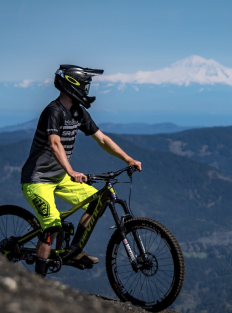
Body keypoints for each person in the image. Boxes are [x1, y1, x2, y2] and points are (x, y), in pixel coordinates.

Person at [21, 65, 142, 277]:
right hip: (37, 180)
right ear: (72, 85)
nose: (87, 89)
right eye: (85, 85)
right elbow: (54, 144)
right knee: (52, 226)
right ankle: (37, 283)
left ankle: (75, 250)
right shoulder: (53, 111)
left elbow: (102, 139)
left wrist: (128, 158)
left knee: (97, 200)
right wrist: (70, 171)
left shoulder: (78, 112)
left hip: (60, 178)